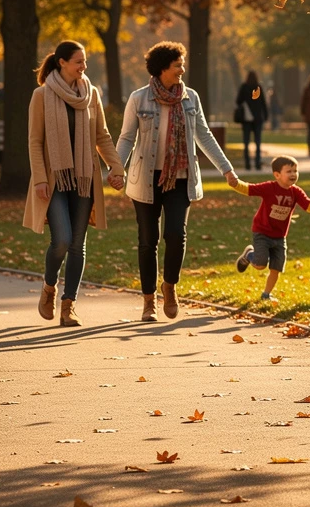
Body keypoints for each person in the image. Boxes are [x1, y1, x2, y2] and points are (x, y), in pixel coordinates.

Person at [117, 41, 240, 323]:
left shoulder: (190, 98)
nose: (182, 69)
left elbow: (204, 135)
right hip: (146, 179)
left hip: (180, 178)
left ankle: (169, 287)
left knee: (176, 235)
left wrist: (227, 169)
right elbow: (126, 138)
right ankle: (148, 301)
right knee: (148, 241)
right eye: (177, 65)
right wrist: (115, 169)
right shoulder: (139, 98)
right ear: (163, 69)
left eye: (182, 64)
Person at [23, 40, 125, 327]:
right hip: (55, 180)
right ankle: (49, 287)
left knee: (78, 244)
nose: (83, 67)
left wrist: (116, 166)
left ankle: (69, 306)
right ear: (62, 63)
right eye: (78, 61)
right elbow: (34, 142)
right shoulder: (41, 96)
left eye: (84, 62)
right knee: (62, 240)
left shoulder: (90, 94)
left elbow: (102, 136)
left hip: (84, 179)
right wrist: (40, 179)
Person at [234, 155, 310, 302]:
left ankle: (266, 294)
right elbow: (249, 189)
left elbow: (309, 206)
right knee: (260, 264)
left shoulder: (296, 192)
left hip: (279, 236)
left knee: (276, 268)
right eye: (289, 171)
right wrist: (235, 183)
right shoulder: (269, 187)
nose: (293, 174)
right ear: (277, 175)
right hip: (262, 232)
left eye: (295, 171)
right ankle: (249, 255)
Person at [234, 70, 269, 170]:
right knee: (258, 142)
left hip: (246, 119)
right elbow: (263, 103)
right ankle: (258, 164)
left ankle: (247, 164)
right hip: (258, 118)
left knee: (246, 142)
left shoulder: (244, 87)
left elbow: (238, 101)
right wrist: (265, 116)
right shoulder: (258, 87)